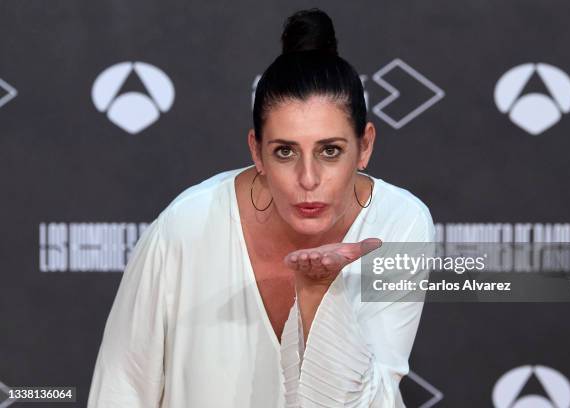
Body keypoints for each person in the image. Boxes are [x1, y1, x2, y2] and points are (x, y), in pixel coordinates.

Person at [87, 7, 435, 408]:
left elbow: (370, 402)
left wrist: (321, 296)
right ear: (256, 151)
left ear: (365, 146)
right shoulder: (186, 226)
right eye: (285, 151)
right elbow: (120, 390)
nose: (308, 178)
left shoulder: (399, 224)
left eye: (330, 151)